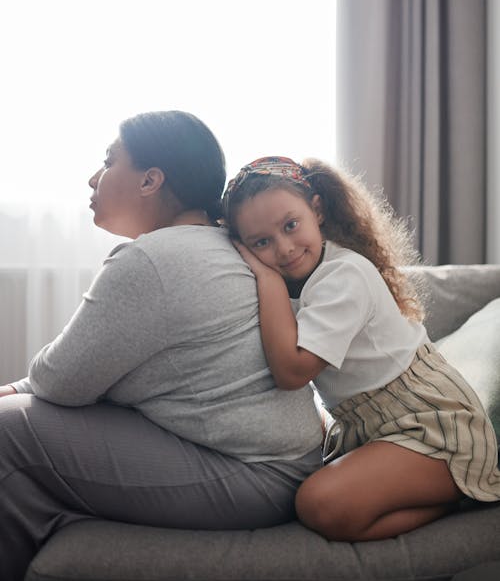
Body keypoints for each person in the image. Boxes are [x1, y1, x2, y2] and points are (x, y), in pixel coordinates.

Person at [0, 113, 323, 581]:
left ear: (151, 179)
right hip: (279, 465)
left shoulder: (152, 261)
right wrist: (15, 388)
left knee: (8, 432)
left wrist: (15, 394)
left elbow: (59, 383)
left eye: (109, 162)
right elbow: (78, 375)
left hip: (257, 476)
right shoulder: (218, 243)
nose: (94, 177)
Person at [223, 155, 500, 542]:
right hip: (372, 426)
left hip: (432, 425)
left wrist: (265, 275)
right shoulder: (299, 280)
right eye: (262, 243)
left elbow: (292, 372)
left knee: (318, 504)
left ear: (316, 210)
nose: (284, 249)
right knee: (321, 503)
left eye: (290, 225)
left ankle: (460, 496)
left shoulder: (343, 275)